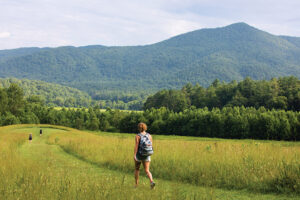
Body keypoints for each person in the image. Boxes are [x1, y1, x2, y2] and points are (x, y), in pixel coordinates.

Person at [134, 122, 155, 189]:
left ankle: (136, 185)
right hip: (147, 154)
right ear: (145, 127)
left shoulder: (138, 136)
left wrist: (134, 155)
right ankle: (151, 181)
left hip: (139, 154)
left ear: (139, 128)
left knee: (137, 169)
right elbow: (151, 145)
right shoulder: (149, 135)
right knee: (147, 170)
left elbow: (136, 146)